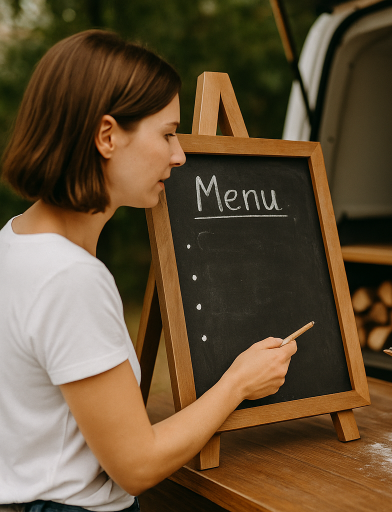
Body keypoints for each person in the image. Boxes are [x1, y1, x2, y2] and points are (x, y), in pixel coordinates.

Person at [0, 30, 297, 511]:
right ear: (107, 136)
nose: (179, 155)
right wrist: (239, 382)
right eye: (167, 133)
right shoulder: (69, 277)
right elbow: (136, 465)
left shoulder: (14, 241)